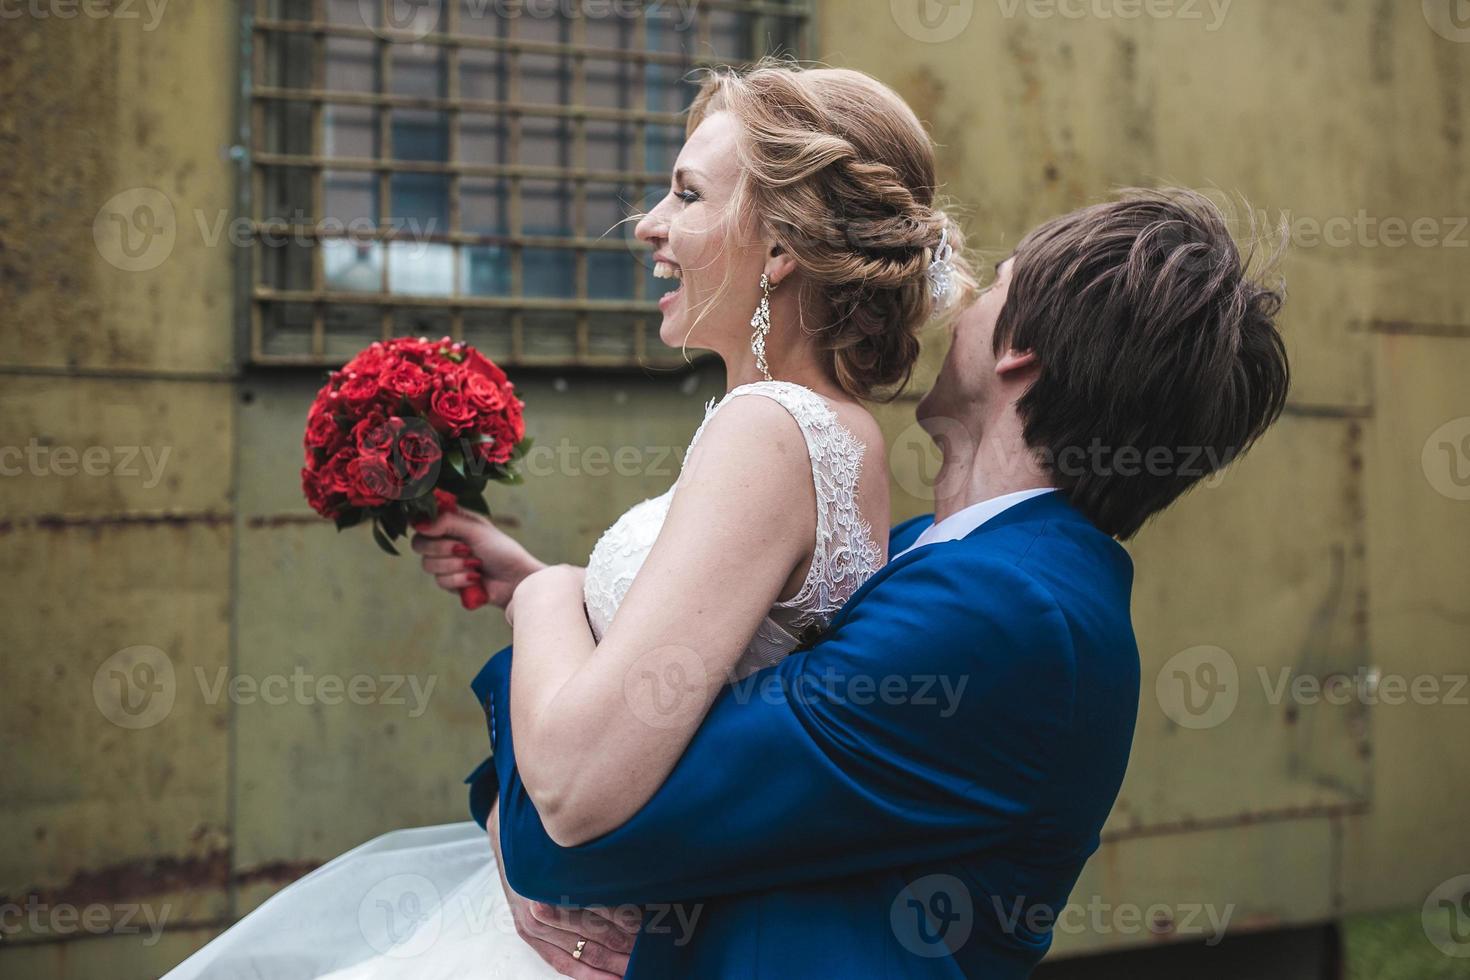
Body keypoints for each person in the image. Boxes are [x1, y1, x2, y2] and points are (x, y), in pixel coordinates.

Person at [162, 60, 970, 980]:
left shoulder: (769, 430)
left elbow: (579, 787)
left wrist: (548, 593)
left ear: (781, 247)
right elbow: (707, 674)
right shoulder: (838, 433)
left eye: (686, 194)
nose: (650, 226)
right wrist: (523, 573)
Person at [455, 186, 1290, 978]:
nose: (959, 306)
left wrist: (546, 601)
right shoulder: (949, 558)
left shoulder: (1003, 615)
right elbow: (670, 729)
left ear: (1020, 351)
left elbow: (586, 826)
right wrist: (577, 598)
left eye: (995, 288)